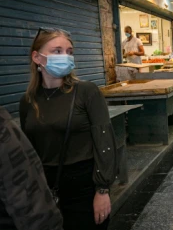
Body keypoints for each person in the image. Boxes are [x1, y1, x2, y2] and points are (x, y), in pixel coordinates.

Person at [19, 27, 118, 230]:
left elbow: (105, 142)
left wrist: (102, 190)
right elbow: (29, 150)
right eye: (57, 51)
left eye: (69, 52)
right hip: (46, 189)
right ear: (37, 57)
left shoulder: (86, 92)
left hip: (83, 187)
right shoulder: (28, 101)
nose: (65, 56)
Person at [0, 105, 64, 230]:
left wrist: (102, 189)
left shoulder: (3, 128)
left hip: (72, 179)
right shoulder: (28, 100)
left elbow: (35, 210)